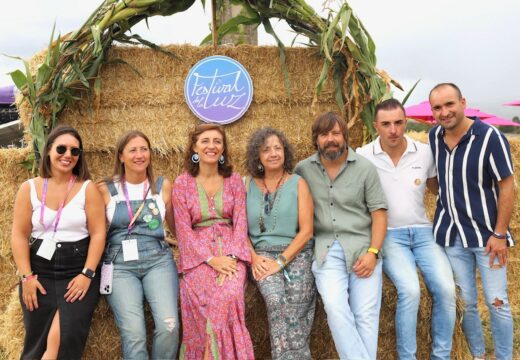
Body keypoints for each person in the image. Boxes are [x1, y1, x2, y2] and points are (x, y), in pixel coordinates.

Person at [357, 98, 456, 360]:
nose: (393, 130)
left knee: (446, 289)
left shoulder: (424, 152)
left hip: (424, 232)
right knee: (410, 290)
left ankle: (441, 356)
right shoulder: (362, 156)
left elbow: (439, 189)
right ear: (376, 125)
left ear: (406, 122)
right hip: (388, 235)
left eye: (399, 123)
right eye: (386, 124)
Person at [428, 83, 514, 360]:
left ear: (463, 102)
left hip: (488, 238)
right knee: (466, 303)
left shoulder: (490, 138)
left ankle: (503, 357)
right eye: (438, 108)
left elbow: (507, 186)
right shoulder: (434, 137)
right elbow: (436, 180)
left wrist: (500, 234)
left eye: (449, 104)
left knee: (497, 302)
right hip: (452, 237)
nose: (444, 112)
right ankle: (477, 355)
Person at [295, 112, 388, 360]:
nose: (331, 139)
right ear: (316, 139)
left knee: (366, 316)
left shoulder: (365, 168)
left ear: (345, 136)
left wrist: (373, 253)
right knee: (336, 309)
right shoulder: (303, 170)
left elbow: (379, 214)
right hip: (326, 251)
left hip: (363, 248)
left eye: (336, 133)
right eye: (324, 134)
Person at [11, 125, 106, 359]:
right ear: (49, 150)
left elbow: (98, 234)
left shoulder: (87, 188)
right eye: (62, 148)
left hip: (76, 271)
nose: (68, 155)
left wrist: (87, 274)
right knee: (37, 342)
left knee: (64, 339)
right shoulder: (29, 188)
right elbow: (19, 235)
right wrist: (27, 278)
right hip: (39, 272)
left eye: (75, 151)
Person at [172, 123, 254, 359]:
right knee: (199, 300)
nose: (212, 146)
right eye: (205, 141)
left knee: (227, 296)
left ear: (223, 149)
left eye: (217, 141)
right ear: (195, 147)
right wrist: (209, 259)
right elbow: (183, 231)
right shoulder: (182, 183)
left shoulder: (235, 180)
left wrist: (231, 258)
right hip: (197, 258)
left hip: (231, 254)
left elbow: (240, 224)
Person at [97, 130, 179, 359]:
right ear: (121, 156)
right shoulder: (104, 189)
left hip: (158, 261)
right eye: (132, 150)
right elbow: (94, 232)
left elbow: (178, 228)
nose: (139, 155)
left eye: (144, 149)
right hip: (119, 264)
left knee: (169, 326)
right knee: (134, 333)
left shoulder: (162, 186)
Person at [245, 127, 316, 359]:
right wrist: (253, 258)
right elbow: (237, 230)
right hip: (262, 254)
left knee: (297, 309)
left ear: (285, 152)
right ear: (257, 155)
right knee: (276, 301)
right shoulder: (245, 184)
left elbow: (306, 231)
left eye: (278, 148)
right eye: (266, 149)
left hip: (297, 253)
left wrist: (282, 261)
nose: (273, 153)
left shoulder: (298, 183)